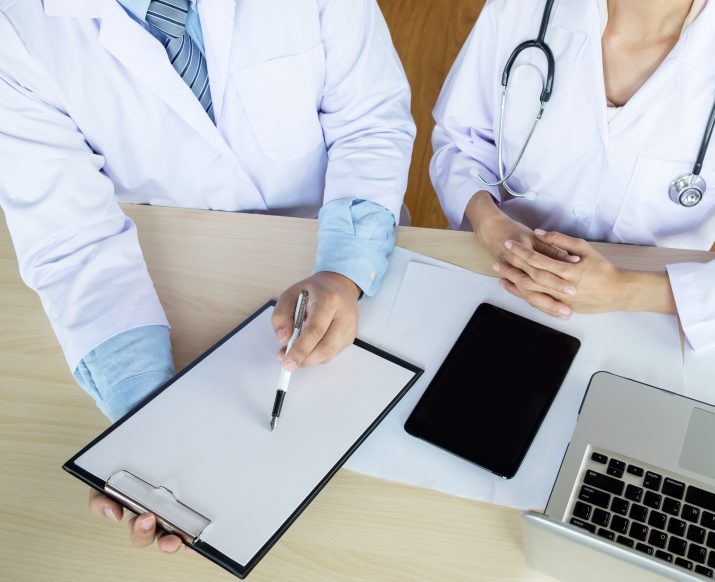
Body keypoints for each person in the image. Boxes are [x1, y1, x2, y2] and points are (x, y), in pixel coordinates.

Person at [0, 0, 413, 552]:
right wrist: (148, 418)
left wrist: (344, 270)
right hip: (186, 274)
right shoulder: (18, 29)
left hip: (345, 245)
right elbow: (71, 239)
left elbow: (369, 119)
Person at [430, 0, 715, 349]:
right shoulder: (519, 9)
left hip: (651, 318)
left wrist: (626, 289)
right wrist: (491, 224)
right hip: (501, 277)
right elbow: (460, 141)